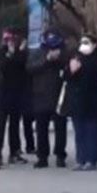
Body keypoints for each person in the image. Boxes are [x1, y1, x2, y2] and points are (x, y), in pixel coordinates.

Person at [64, 34, 97, 171]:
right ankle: (80, 159)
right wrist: (71, 70)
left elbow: (96, 72)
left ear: (94, 44)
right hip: (77, 100)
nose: (84, 45)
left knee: (91, 130)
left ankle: (91, 159)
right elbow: (66, 76)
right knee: (79, 131)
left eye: (87, 42)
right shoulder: (76, 57)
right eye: (82, 42)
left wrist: (81, 68)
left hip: (93, 99)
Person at [28, 29, 68, 169]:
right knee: (41, 127)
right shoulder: (38, 52)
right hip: (41, 94)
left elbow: (69, 68)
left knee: (60, 127)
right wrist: (47, 60)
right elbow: (30, 68)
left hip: (59, 94)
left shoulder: (64, 52)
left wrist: (59, 59)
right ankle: (42, 156)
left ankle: (60, 155)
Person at [0, 27, 29, 165]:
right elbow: (0, 67)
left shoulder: (21, 52)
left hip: (16, 92)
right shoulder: (0, 52)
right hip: (2, 92)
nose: (10, 42)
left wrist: (17, 52)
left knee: (14, 124)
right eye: (7, 39)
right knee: (0, 124)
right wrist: (9, 54)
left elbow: (23, 65)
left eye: (12, 39)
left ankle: (14, 152)